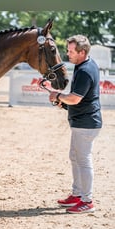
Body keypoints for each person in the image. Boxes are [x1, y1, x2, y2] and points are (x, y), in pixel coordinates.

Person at [49, 34, 102, 214]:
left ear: (82, 52)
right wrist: (60, 100)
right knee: (75, 157)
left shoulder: (85, 70)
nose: (67, 54)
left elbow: (75, 98)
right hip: (83, 122)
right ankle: (78, 195)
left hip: (86, 124)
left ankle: (87, 200)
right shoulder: (83, 66)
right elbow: (75, 99)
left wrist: (57, 96)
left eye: (71, 51)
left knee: (83, 161)